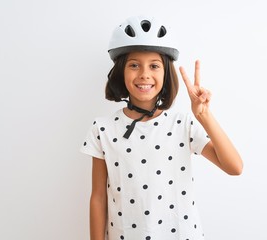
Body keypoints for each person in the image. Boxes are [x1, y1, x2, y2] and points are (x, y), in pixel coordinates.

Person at [80, 15, 243, 240]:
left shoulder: (182, 124)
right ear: (121, 71)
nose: (144, 74)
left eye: (154, 66)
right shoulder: (103, 129)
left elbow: (234, 167)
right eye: (134, 65)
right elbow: (98, 198)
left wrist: (204, 115)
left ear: (166, 73)